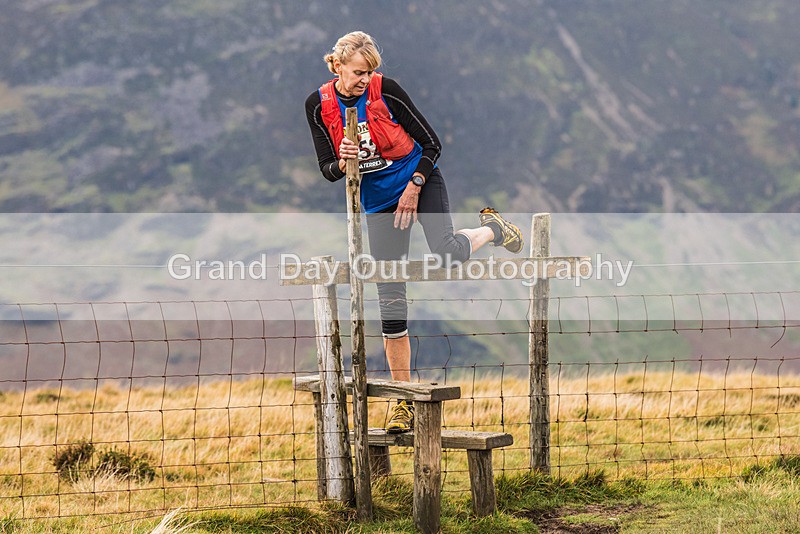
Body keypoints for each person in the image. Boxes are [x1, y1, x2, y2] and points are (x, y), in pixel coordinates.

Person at [304, 31, 523, 433]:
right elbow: (327, 170)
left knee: (446, 253)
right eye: (358, 72)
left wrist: (415, 186)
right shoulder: (318, 105)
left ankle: (492, 228)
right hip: (378, 202)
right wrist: (342, 162)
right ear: (337, 66)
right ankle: (402, 400)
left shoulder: (386, 90)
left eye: (369, 72)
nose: (364, 79)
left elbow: (432, 144)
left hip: (419, 178)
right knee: (390, 296)